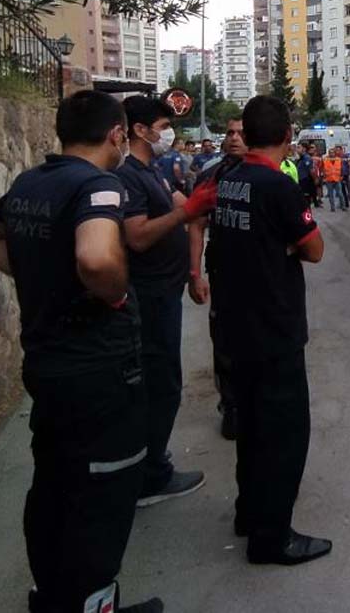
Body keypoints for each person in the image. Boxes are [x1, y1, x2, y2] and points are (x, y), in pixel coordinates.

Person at [0, 90, 204, 613]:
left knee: (56, 485)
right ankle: (93, 601)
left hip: (48, 367)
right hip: (97, 371)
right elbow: (98, 260)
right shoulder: (98, 184)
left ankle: (56, 597)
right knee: (102, 494)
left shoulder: (31, 182)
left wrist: (40, 279)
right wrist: (116, 293)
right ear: (119, 134)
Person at [210, 95, 330, 566]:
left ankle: (249, 513)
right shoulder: (278, 186)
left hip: (236, 328)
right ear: (286, 136)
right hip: (274, 330)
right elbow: (315, 249)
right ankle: (272, 536)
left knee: (252, 431)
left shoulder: (230, 181)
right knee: (282, 436)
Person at [117, 96, 207, 506]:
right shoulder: (129, 176)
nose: (167, 133)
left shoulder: (149, 170)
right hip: (150, 297)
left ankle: (151, 462)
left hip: (166, 292)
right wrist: (187, 213)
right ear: (139, 130)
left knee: (163, 381)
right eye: (162, 125)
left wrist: (192, 269)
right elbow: (137, 235)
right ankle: (150, 475)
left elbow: (179, 205)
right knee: (161, 384)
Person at [188, 118, 246, 439]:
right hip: (223, 274)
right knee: (224, 343)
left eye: (242, 133)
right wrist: (194, 274)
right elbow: (196, 225)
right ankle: (231, 407)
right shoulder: (213, 174)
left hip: (261, 279)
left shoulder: (270, 174)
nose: (234, 139)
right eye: (230, 133)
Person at [322, 146, 345, 212]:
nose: (331, 154)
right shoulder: (325, 160)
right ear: (328, 153)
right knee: (331, 195)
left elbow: (342, 168)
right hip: (329, 180)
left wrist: (342, 176)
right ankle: (332, 208)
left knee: (340, 194)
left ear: (334, 153)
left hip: (337, 179)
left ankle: (343, 206)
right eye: (330, 153)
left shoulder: (338, 159)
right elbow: (322, 169)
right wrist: (324, 177)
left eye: (332, 153)